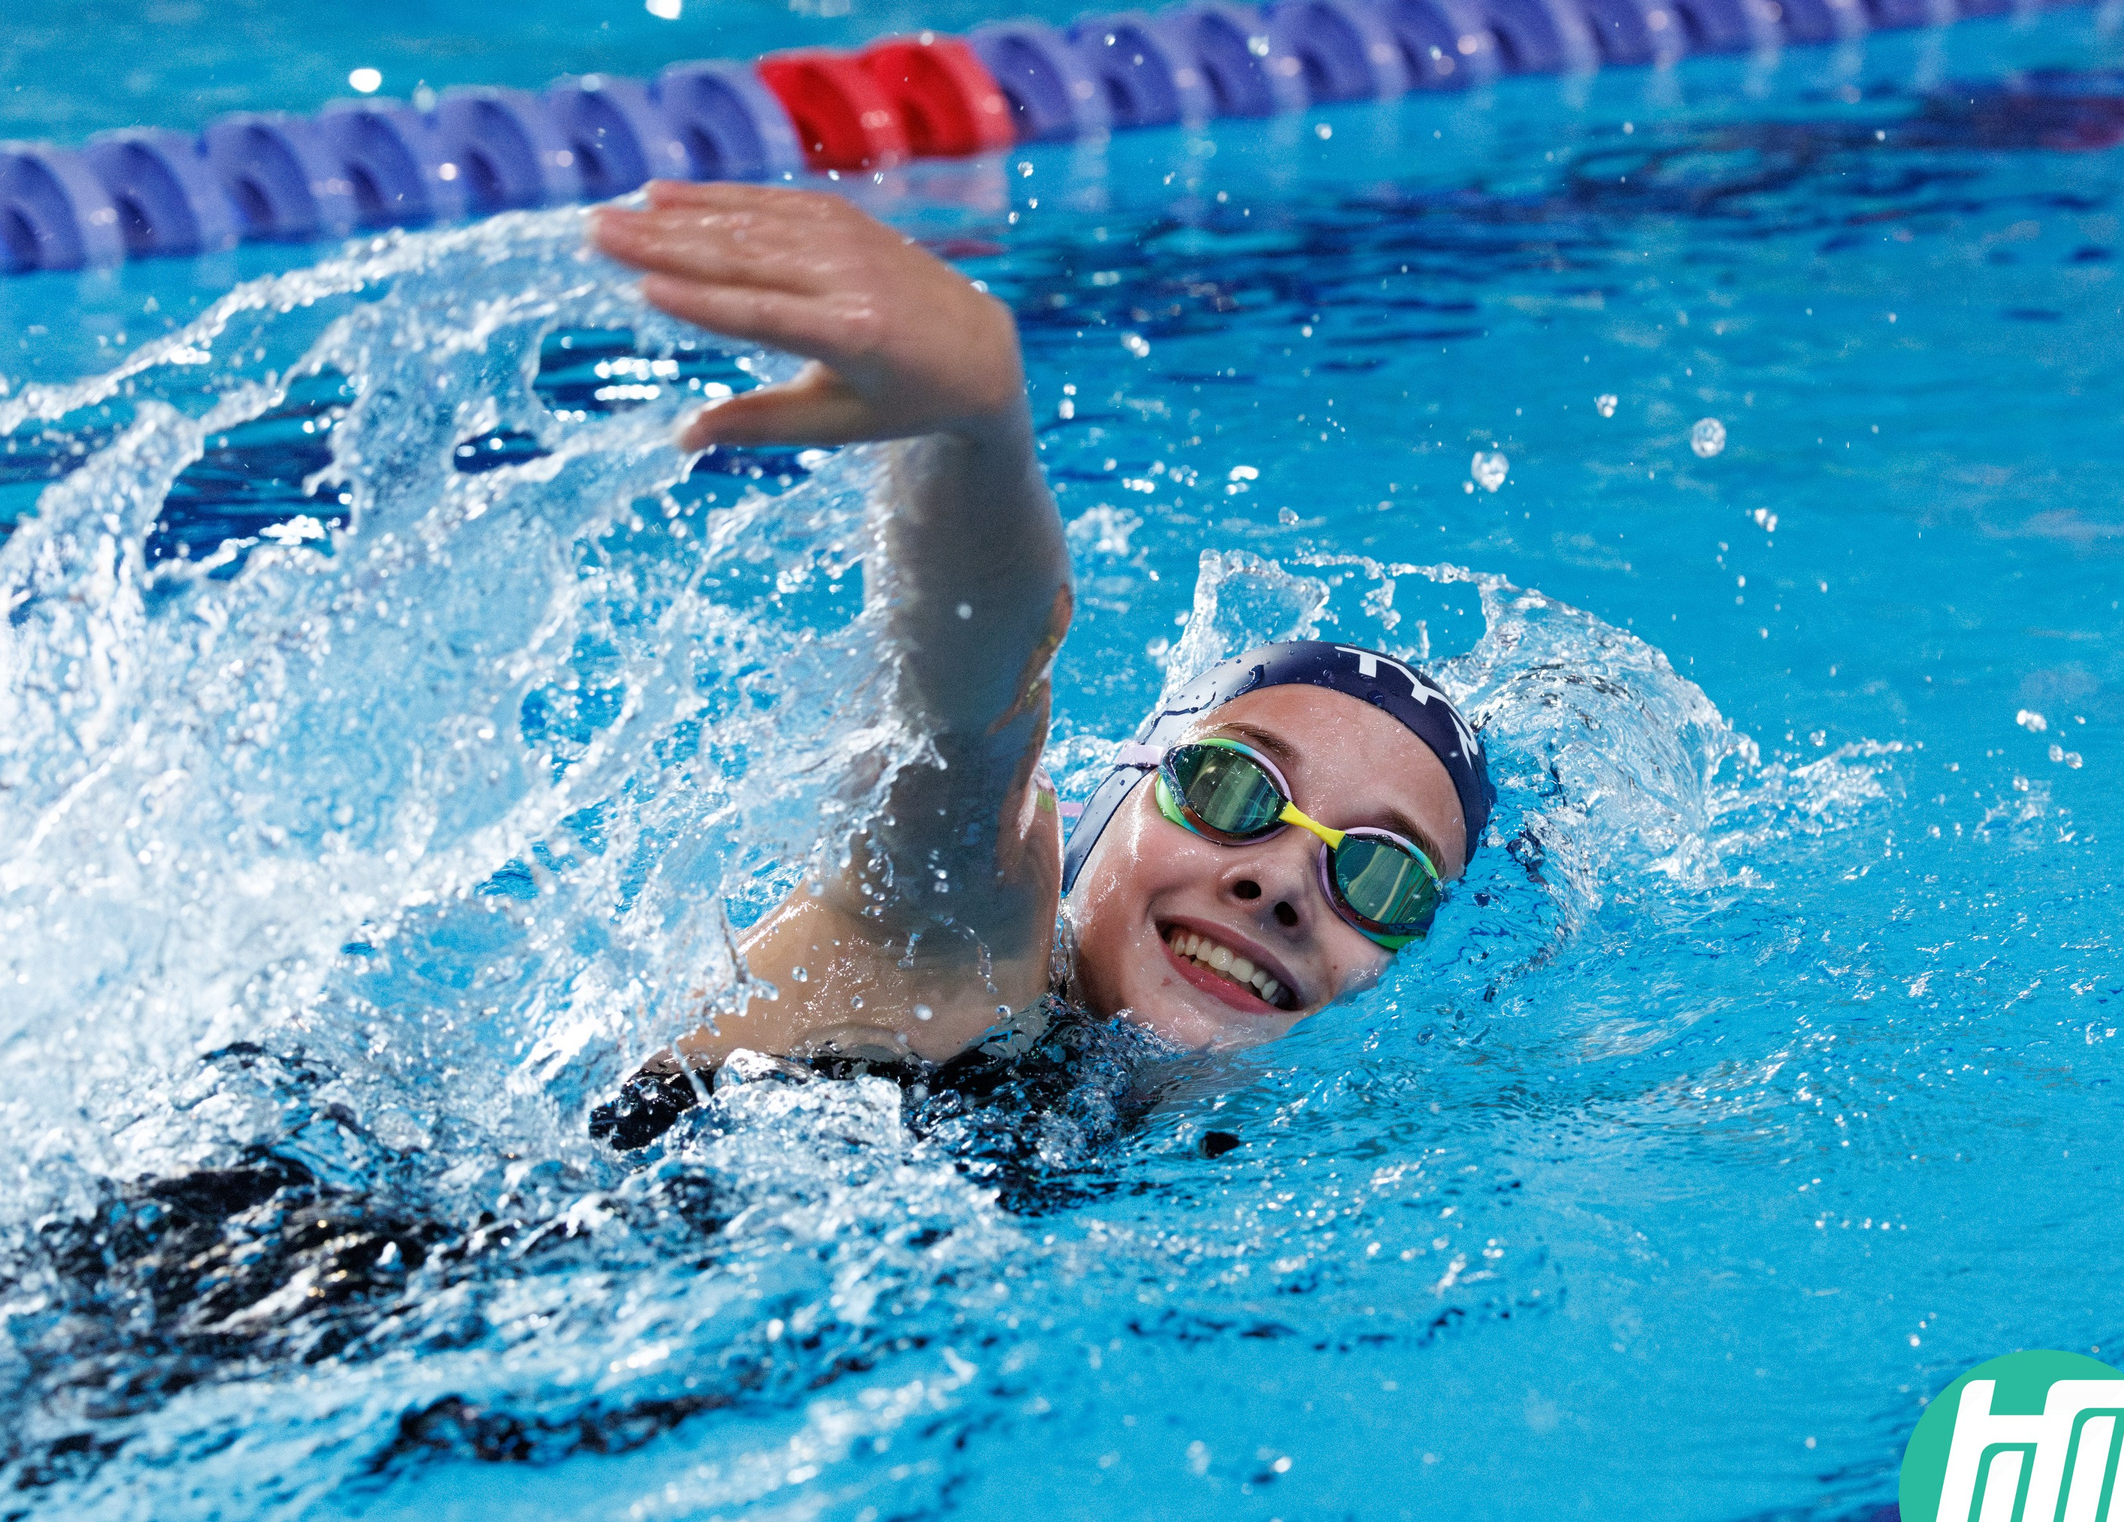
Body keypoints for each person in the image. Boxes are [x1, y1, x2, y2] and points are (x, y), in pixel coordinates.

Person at [586, 183, 1491, 1101]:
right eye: (1230, 788)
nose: (1283, 882)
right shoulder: (953, 951)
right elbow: (967, 713)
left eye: (1381, 877)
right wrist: (974, 425)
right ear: (1108, 812)